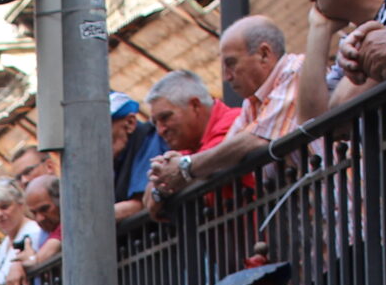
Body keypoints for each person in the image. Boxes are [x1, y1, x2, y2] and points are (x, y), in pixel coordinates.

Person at [150, 16, 302, 199]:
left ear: (264, 54)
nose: (226, 77)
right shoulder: (252, 103)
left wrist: (184, 166)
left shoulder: (295, 69)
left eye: (231, 64)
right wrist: (171, 171)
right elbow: (225, 153)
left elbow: (256, 139)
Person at [139, 70, 239, 217]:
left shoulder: (236, 122)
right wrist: (160, 185)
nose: (160, 131)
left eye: (165, 117)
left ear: (195, 106)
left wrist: (174, 175)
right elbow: (149, 200)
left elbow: (211, 162)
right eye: (155, 123)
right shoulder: (187, 151)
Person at [108, 91, 168, 222]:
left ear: (130, 123)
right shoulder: (115, 158)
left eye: (102, 129)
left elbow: (141, 203)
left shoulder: (150, 139)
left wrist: (92, 218)